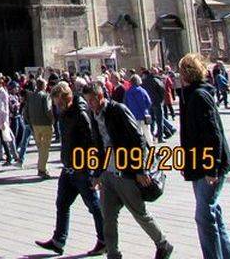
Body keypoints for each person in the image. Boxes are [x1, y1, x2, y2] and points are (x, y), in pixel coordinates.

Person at [83, 80, 173, 259]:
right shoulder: (93, 115)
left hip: (126, 173)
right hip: (108, 173)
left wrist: (140, 169)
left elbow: (139, 139)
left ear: (100, 96)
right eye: (87, 101)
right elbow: (99, 144)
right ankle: (113, 254)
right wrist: (97, 173)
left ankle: (163, 244)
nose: (89, 104)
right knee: (108, 217)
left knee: (139, 213)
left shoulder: (118, 110)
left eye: (91, 100)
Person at [178, 54, 230, 259]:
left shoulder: (199, 96)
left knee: (204, 217)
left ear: (186, 73)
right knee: (213, 215)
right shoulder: (190, 95)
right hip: (199, 164)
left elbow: (213, 134)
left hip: (209, 166)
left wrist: (212, 167)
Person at [35, 81, 105, 256]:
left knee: (93, 205)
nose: (57, 107)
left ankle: (104, 240)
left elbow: (92, 141)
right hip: (68, 167)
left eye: (59, 103)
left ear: (67, 98)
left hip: (82, 168)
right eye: (56, 104)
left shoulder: (81, 113)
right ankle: (58, 240)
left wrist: (94, 170)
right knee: (62, 203)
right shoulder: (64, 112)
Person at [24, 78, 54, 178]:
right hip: (45, 124)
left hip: (34, 125)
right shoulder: (45, 96)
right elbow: (48, 110)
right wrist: (52, 120)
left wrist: (29, 122)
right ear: (43, 86)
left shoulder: (30, 96)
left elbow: (25, 111)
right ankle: (42, 169)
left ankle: (41, 167)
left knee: (40, 148)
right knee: (45, 148)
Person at [0, 75, 17, 166]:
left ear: (0, 84)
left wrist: (4, 121)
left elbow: (5, 109)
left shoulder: (3, 93)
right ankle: (7, 158)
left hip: (1, 120)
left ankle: (0, 158)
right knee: (2, 139)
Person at [124, 74, 154, 145]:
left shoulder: (128, 92)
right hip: (144, 115)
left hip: (133, 115)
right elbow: (149, 102)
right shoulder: (142, 90)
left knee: (138, 134)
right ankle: (152, 147)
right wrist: (146, 109)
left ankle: (141, 148)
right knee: (148, 133)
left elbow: (126, 104)